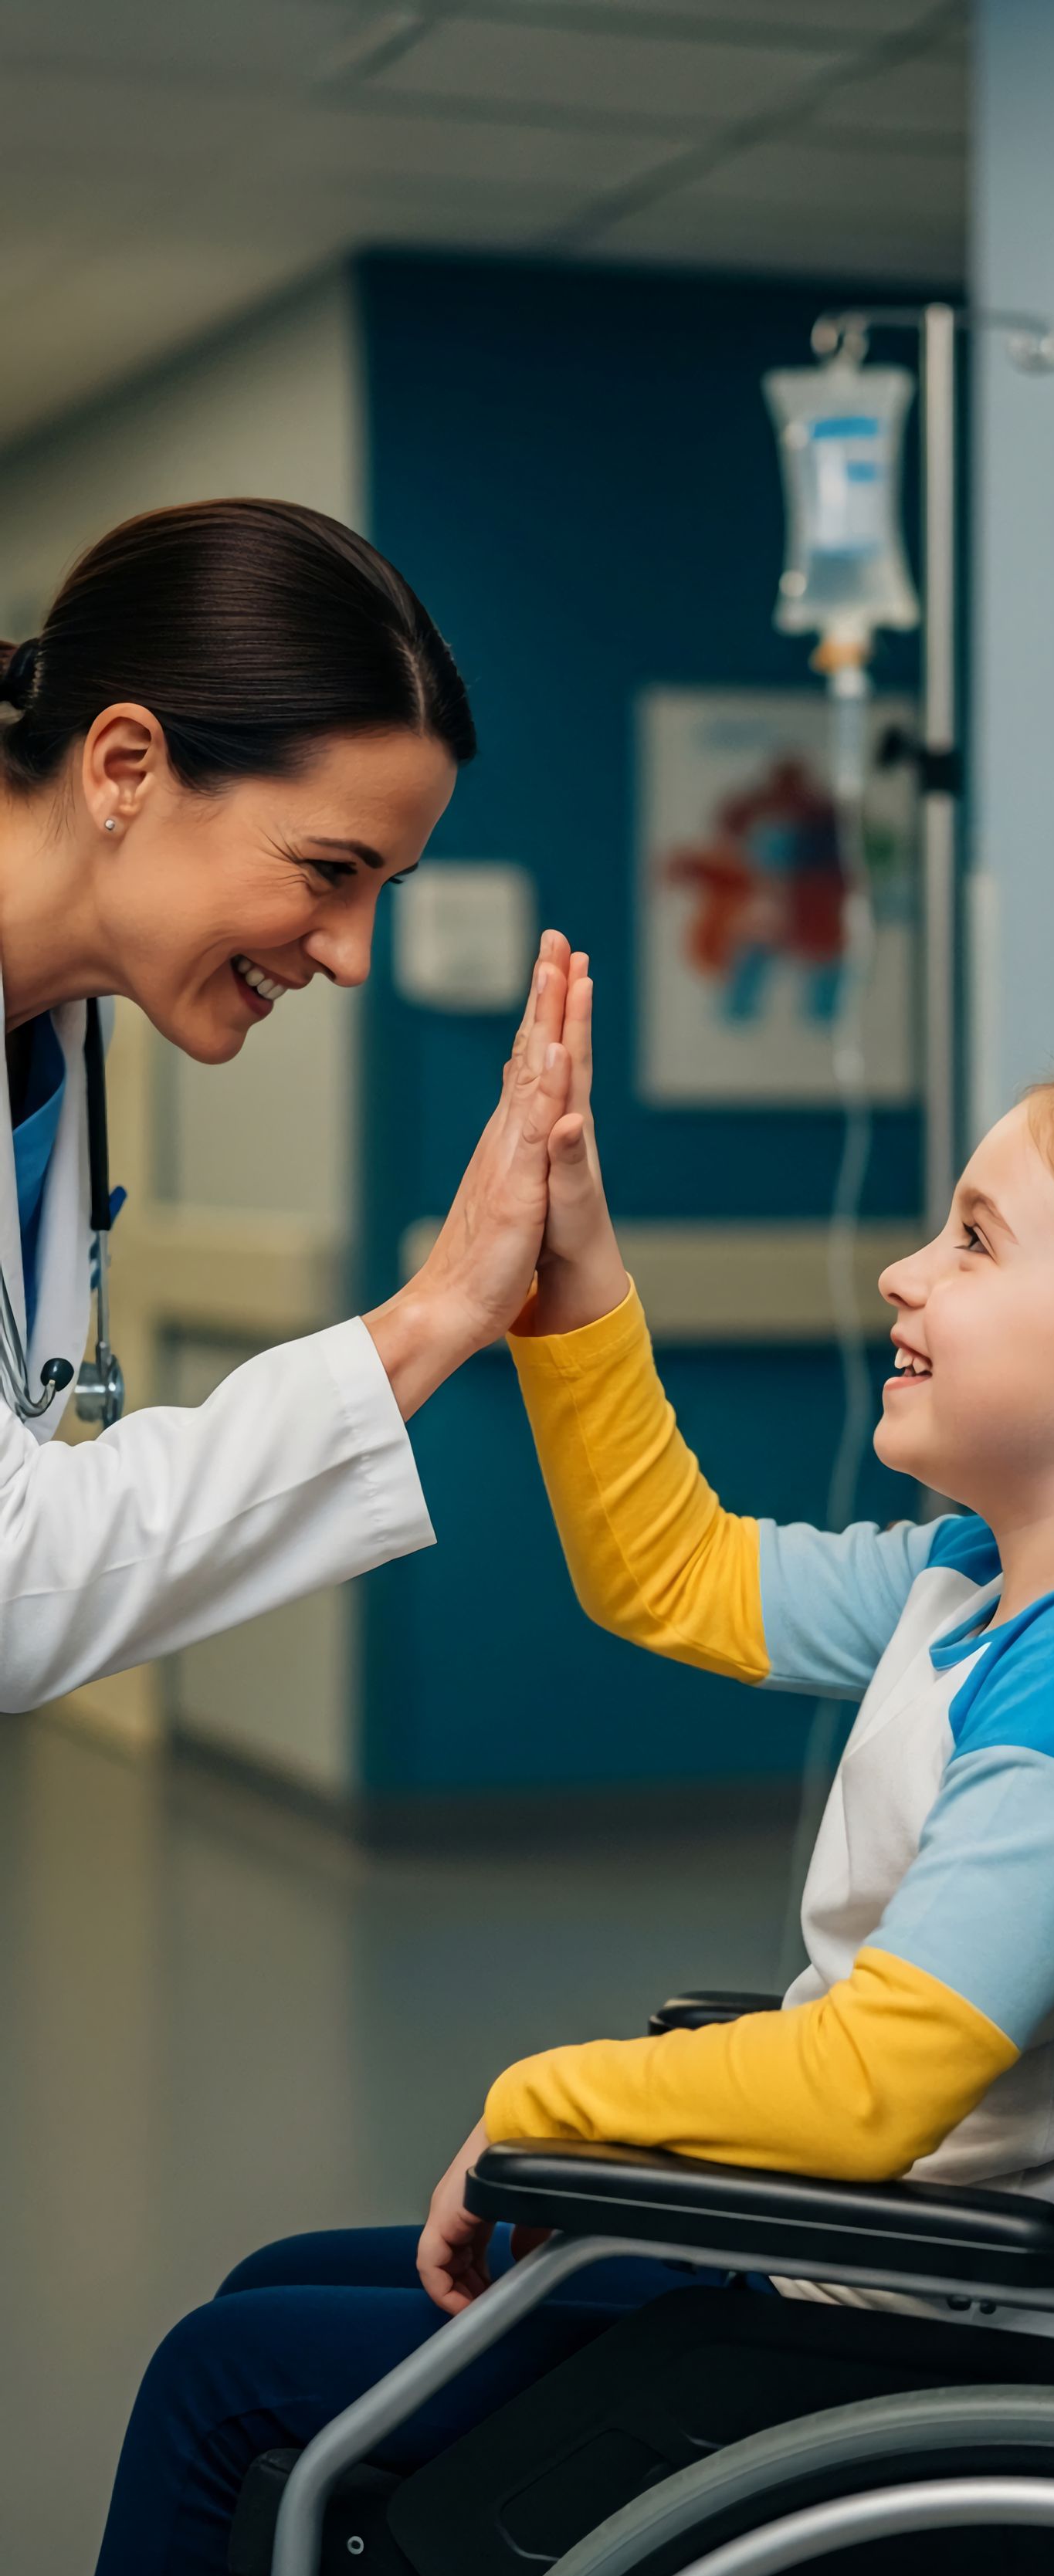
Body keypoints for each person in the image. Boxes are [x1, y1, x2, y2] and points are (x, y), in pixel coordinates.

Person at [70, 1000, 1054, 2576]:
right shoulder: (988, 1578)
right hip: (849, 2300)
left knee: (224, 2379)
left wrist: (543, 2105)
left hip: (897, 2358)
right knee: (275, 2285)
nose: (904, 1271)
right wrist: (573, 1271)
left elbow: (880, 2080)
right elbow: (669, 1572)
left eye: (972, 1239)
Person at [0, 497, 577, 1703]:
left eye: (386, 888)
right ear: (125, 768)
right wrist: (434, 1314)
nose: (353, 956)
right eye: (329, 870)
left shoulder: (59, 1035)